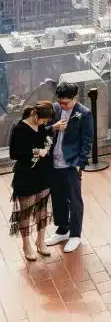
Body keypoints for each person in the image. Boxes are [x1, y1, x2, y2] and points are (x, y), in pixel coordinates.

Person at [44, 82, 94, 254]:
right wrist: (54, 127)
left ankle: (75, 234)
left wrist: (80, 162)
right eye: (60, 101)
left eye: (66, 103)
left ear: (75, 98)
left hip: (71, 163)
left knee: (74, 200)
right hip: (53, 162)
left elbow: (87, 140)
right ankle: (63, 230)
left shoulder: (84, 113)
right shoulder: (54, 109)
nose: (62, 105)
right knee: (58, 198)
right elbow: (44, 129)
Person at [8, 102, 56, 261]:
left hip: (43, 173)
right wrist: (35, 151)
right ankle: (26, 244)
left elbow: (43, 138)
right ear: (35, 116)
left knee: (42, 208)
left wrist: (46, 147)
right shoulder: (19, 129)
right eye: (43, 120)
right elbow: (14, 153)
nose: (44, 124)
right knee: (26, 212)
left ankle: (41, 240)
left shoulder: (41, 126)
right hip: (26, 174)